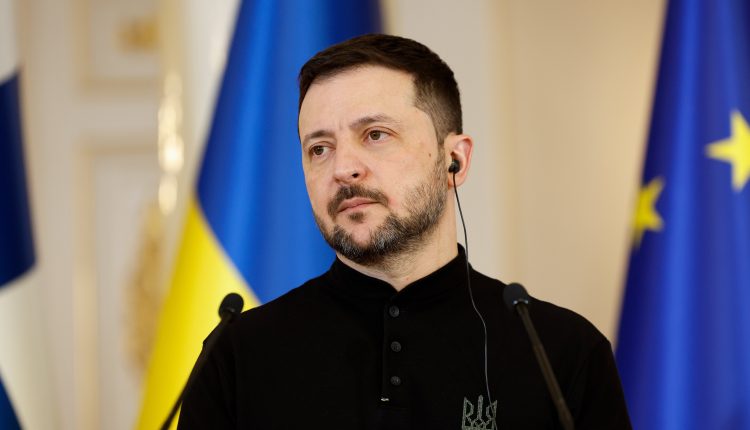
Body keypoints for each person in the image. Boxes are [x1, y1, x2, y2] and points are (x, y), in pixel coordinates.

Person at [178, 34, 631, 429]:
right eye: (319, 148)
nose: (343, 168)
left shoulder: (560, 353)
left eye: (375, 135)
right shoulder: (237, 356)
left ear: (455, 160)